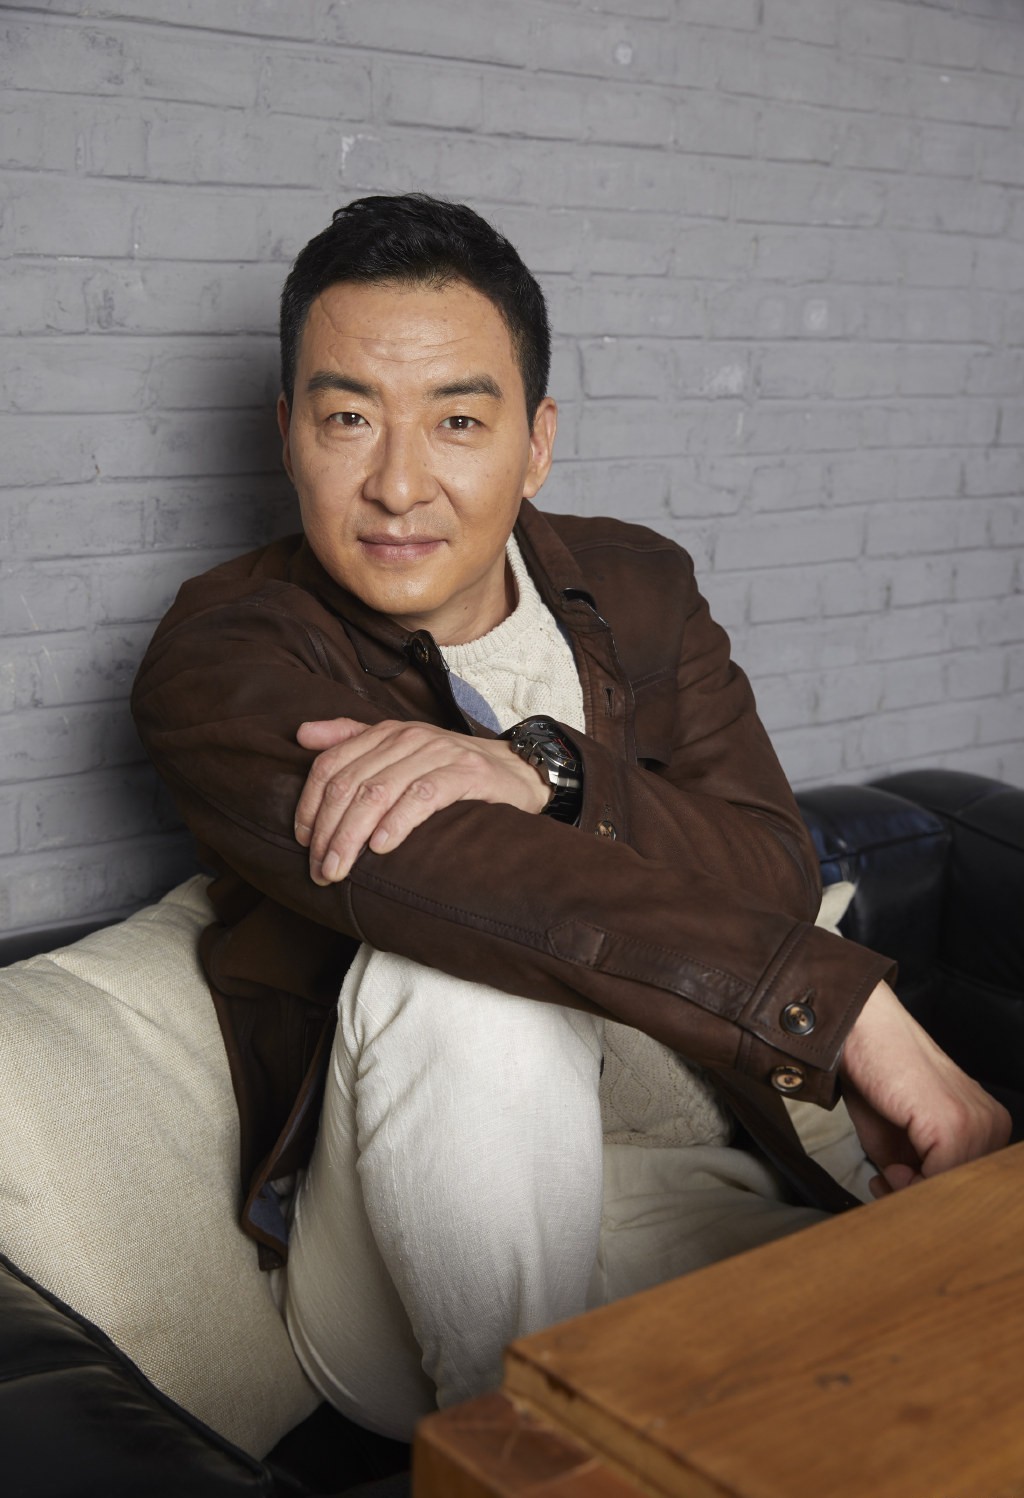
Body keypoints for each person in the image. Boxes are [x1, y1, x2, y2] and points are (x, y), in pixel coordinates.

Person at [132, 193, 1009, 1441]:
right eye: (348, 418)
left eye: (457, 420)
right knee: (455, 980)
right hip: (401, 1252)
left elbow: (771, 866)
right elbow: (440, 870)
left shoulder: (638, 586)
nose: (397, 484)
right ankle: (521, 1455)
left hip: (707, 1171)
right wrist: (845, 1010)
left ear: (535, 443)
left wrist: (551, 767)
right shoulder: (227, 653)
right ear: (287, 434)